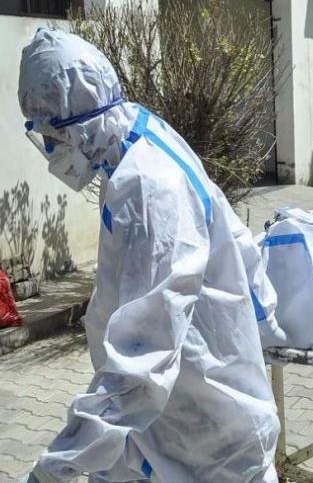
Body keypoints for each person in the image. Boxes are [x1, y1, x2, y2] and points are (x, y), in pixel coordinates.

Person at [18, 28, 284, 482]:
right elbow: (241, 246)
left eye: (51, 137)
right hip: (179, 416)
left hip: (206, 436)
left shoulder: (146, 187)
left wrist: (59, 465)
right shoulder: (140, 138)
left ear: (79, 125)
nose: (51, 153)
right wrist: (265, 328)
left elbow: (143, 356)